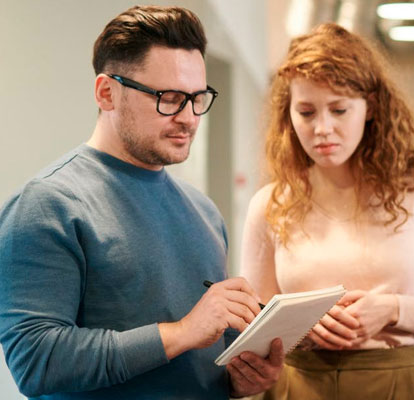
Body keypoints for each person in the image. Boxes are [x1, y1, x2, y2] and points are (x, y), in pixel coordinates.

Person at [0, 6, 282, 399]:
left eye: (197, 97)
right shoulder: (47, 204)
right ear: (106, 92)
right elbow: (36, 362)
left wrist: (240, 379)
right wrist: (181, 332)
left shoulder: (204, 211)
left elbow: (197, 360)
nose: (189, 118)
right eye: (169, 98)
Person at [240, 23, 414, 400]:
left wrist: (394, 310)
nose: (323, 129)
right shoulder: (270, 202)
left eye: (339, 109)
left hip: (393, 379)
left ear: (371, 107)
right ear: (289, 114)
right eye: (307, 112)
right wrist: (300, 325)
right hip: (297, 383)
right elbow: (254, 321)